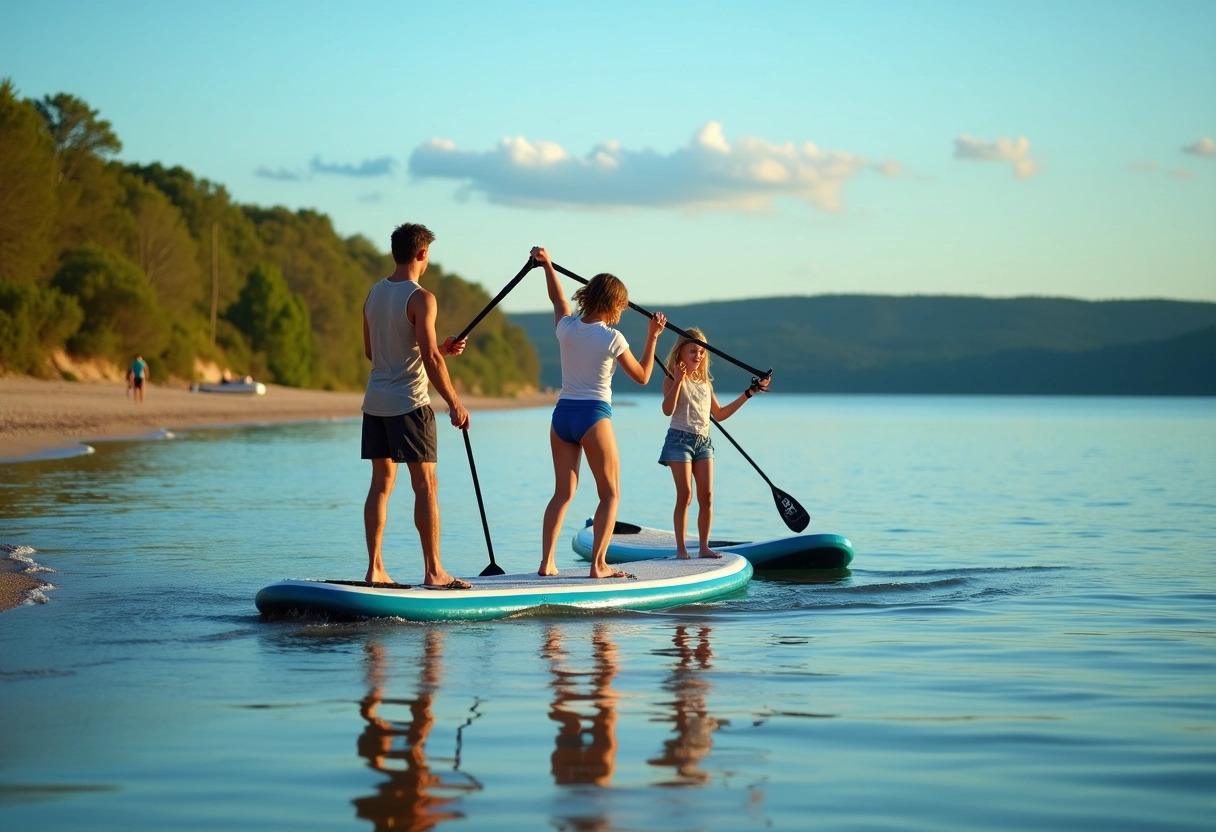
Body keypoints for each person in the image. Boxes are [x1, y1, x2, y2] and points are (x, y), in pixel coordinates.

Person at [532, 246, 667, 579]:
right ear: (611, 304)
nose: (623, 309)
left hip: (562, 417)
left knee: (562, 492)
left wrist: (547, 266)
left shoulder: (566, 327)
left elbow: (558, 299)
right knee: (610, 494)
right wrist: (652, 337)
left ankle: (546, 563)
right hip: (593, 416)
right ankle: (598, 566)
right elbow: (644, 376)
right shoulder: (612, 338)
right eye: (621, 304)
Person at [362, 223, 470, 589]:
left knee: (381, 484)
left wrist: (441, 349)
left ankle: (375, 568)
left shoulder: (373, 294)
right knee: (426, 486)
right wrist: (454, 402)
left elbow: (373, 352)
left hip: (375, 402)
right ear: (422, 254)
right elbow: (427, 359)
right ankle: (434, 571)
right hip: (409, 404)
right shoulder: (422, 297)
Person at [658, 328, 770, 558]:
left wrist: (748, 393)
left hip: (703, 443)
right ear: (680, 353)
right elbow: (667, 410)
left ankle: (703, 547)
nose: (698, 356)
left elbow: (719, 414)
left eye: (701, 352)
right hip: (679, 440)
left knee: (707, 496)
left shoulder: (705, 384)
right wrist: (679, 381)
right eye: (692, 351)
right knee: (685, 495)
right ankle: (680, 549)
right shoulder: (670, 379)